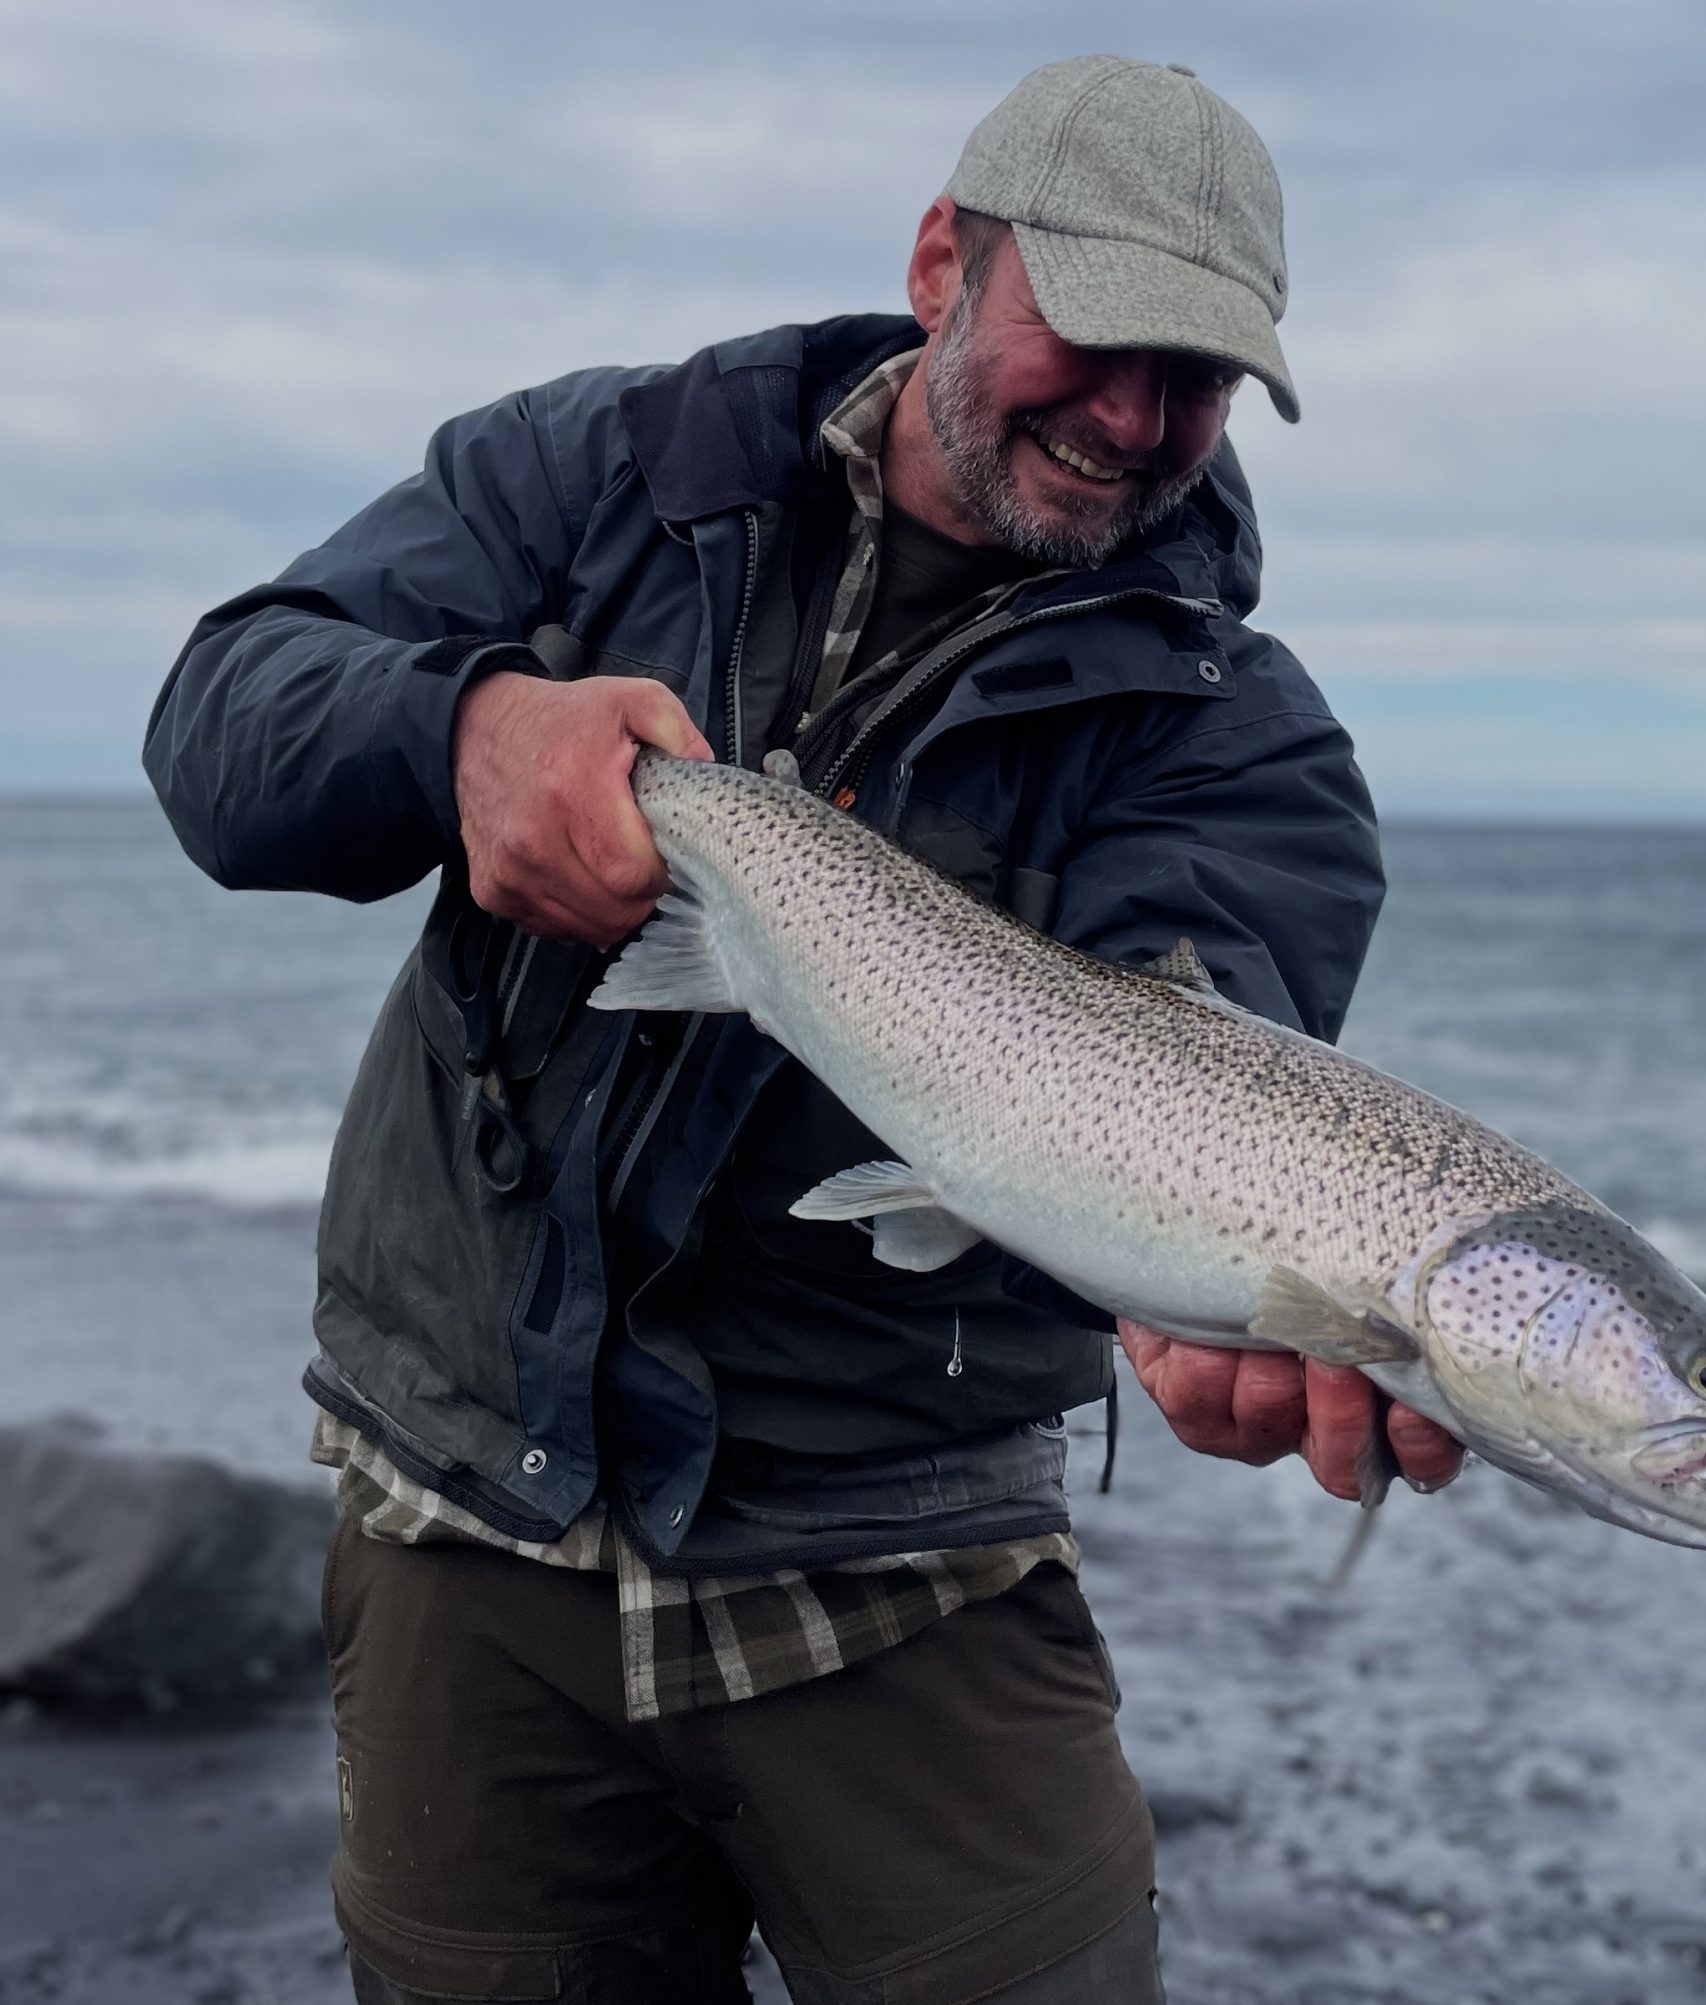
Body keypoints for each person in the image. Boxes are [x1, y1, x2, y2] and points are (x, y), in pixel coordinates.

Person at [143, 54, 1462, 2005]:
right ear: (945, 261)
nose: (1130, 415)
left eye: (1193, 377)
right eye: (1094, 337)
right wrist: (460, 729)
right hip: (461, 1524)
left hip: (902, 1579)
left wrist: (1198, 1299)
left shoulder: (1234, 742)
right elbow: (223, 724)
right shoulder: (601, 474)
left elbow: (1199, 1076)